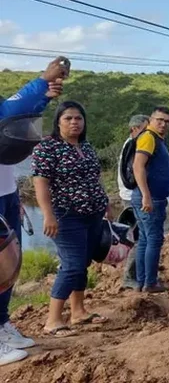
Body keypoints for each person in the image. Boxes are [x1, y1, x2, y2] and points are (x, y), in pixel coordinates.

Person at [0, 57, 66, 366]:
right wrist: (42, 81)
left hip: (6, 192)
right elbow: (8, 113)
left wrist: (42, 98)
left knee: (8, 266)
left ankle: (2, 326)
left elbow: (16, 121)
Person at [31, 101, 110, 338]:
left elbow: (95, 177)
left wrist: (106, 204)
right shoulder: (48, 148)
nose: (74, 122)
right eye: (68, 118)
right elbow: (40, 183)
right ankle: (53, 320)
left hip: (93, 213)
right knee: (72, 265)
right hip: (66, 215)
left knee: (83, 263)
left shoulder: (86, 147)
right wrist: (48, 215)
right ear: (58, 122)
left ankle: (78, 312)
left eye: (78, 118)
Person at [132, 106, 169, 293]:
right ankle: (150, 282)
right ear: (151, 119)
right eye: (160, 120)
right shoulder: (148, 137)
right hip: (150, 199)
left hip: (150, 198)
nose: (163, 124)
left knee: (144, 240)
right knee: (154, 240)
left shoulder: (157, 139)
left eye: (167, 121)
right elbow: (138, 166)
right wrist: (146, 196)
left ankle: (142, 281)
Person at [117, 115, 149, 291]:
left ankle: (138, 273)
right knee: (138, 238)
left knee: (139, 236)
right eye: (144, 129)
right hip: (132, 197)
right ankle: (130, 277)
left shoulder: (133, 144)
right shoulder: (132, 146)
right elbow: (132, 174)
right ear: (134, 129)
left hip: (133, 195)